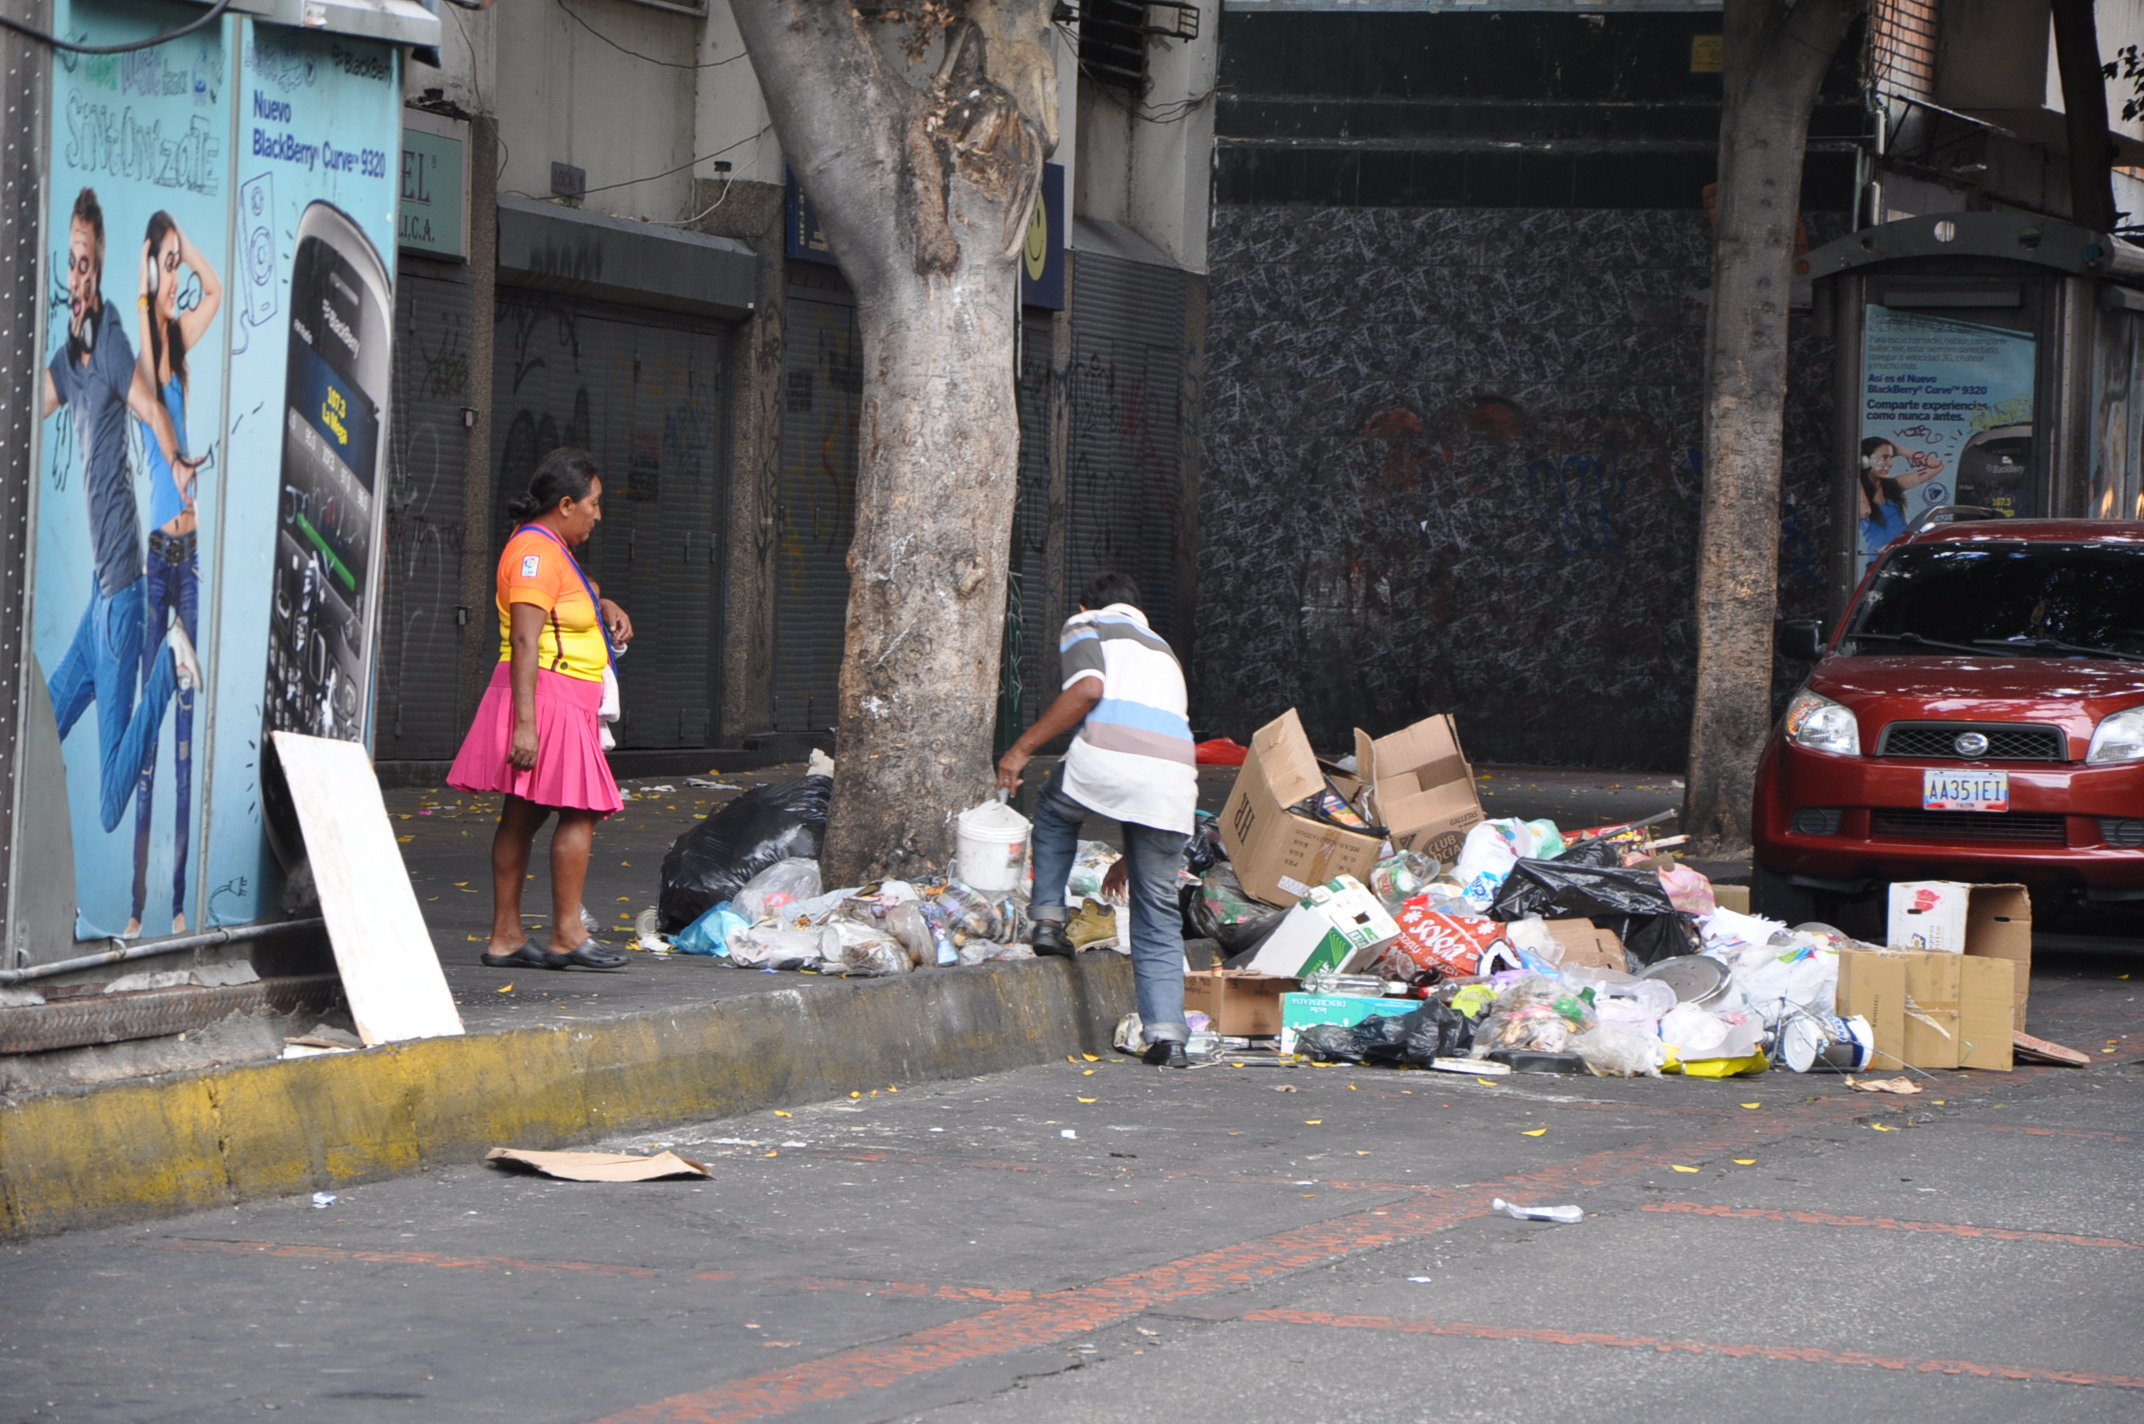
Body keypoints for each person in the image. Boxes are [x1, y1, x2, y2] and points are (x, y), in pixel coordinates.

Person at [42, 187, 202, 858]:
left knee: (111, 803)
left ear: (101, 268)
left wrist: (175, 460)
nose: (77, 278)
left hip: (122, 606)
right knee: (36, 729)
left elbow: (150, 406)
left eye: (86, 264)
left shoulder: (108, 343)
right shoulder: (70, 360)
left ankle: (169, 666)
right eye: (70, 265)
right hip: (100, 599)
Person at [997, 572, 1198, 1068]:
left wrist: (1021, 750)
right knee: (1157, 912)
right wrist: (1134, 853)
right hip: (1173, 784)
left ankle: (1046, 920)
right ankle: (1169, 1037)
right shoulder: (1163, 648)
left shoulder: (1087, 622)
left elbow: (1088, 689)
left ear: (1089, 603)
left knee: (1055, 809)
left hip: (1110, 757)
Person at [447, 448, 636, 971]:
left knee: (523, 813)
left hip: (561, 699)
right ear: (568, 503)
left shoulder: (551, 548)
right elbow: (527, 641)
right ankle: (566, 934)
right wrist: (526, 727)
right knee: (582, 809)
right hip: (546, 699)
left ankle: (507, 937)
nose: (599, 515)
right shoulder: (535, 551)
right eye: (595, 504)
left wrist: (606, 605)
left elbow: (572, 598)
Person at [127, 211, 221, 938]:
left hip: (189, 561)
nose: (175, 274)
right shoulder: (143, 357)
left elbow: (214, 291)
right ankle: (135, 904)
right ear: (144, 271)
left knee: (189, 728)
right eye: (161, 262)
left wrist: (185, 246)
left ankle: (181, 902)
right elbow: (154, 412)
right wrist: (149, 281)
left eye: (173, 262)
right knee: (151, 727)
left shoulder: (181, 344)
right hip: (155, 559)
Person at [1858, 436, 1941, 561]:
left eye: (1891, 457)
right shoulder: (1858, 491)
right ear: (1865, 461)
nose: (1890, 464)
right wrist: (1855, 472)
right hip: (1881, 561)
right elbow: (1865, 511)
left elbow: (1937, 466)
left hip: (1905, 556)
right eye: (1884, 458)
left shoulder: (1892, 485)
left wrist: (1901, 450)